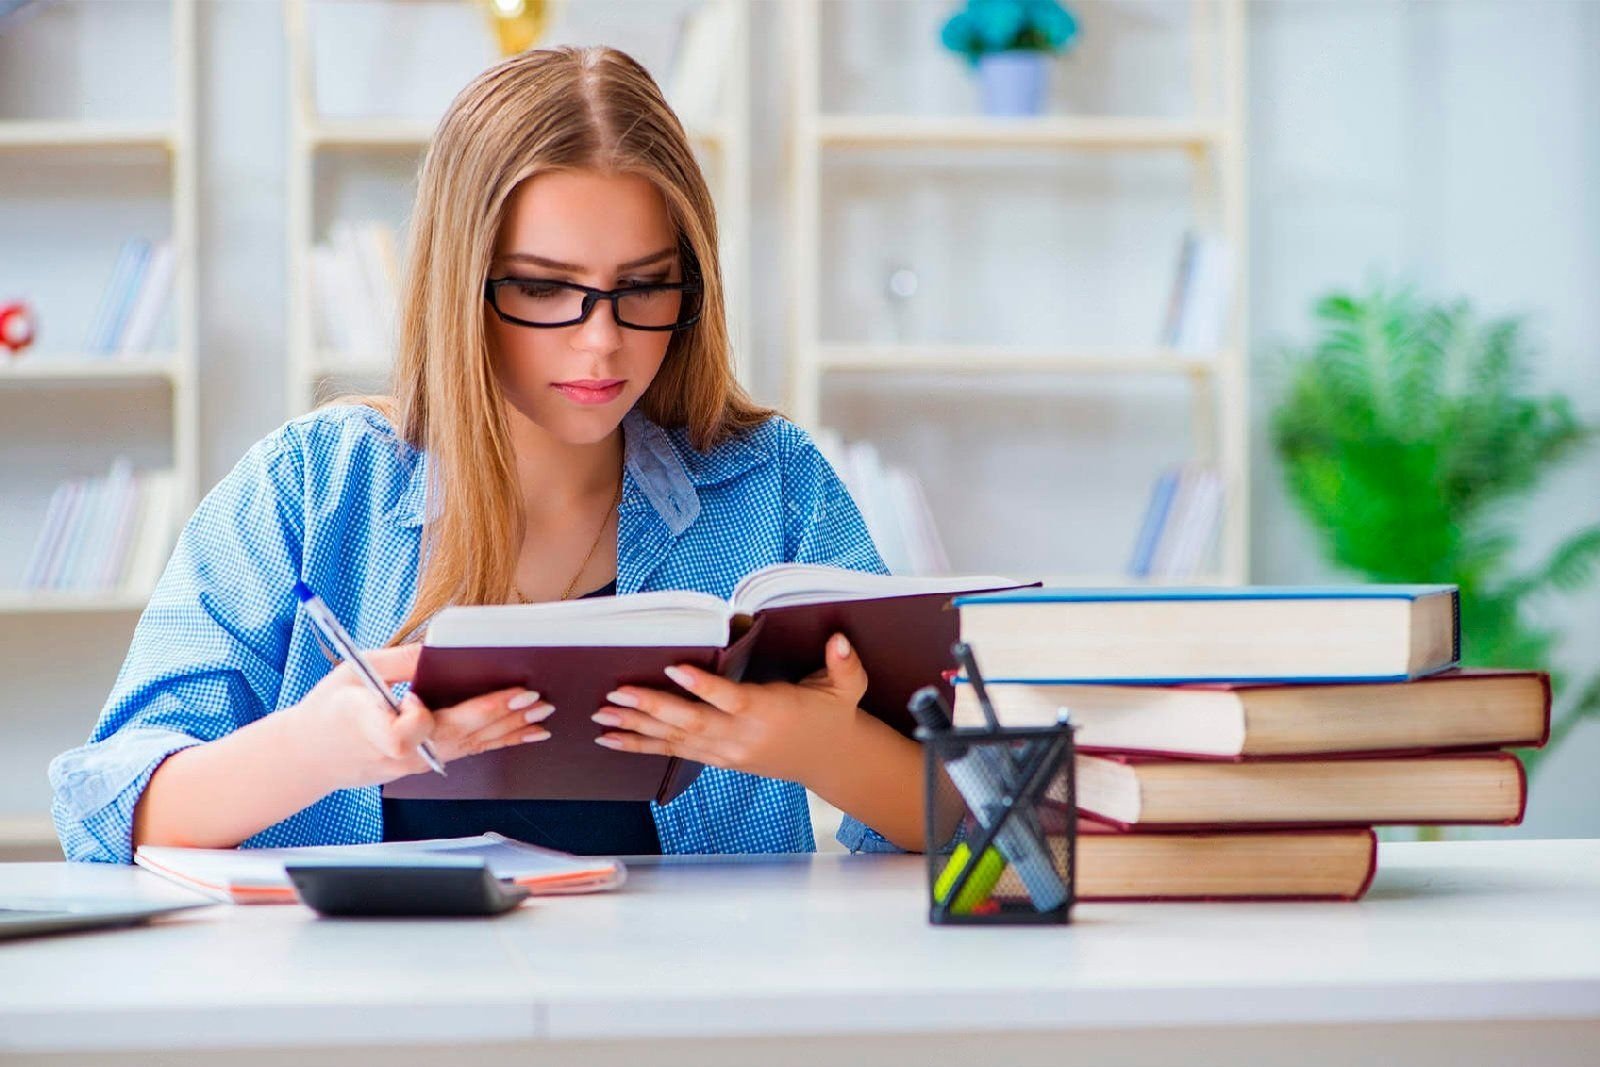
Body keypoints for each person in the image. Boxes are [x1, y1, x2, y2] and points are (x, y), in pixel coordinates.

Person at [49, 45, 937, 864]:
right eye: (545, 287)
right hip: (369, 1023)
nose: (602, 343)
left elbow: (988, 827)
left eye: (643, 286)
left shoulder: (771, 485)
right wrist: (318, 750)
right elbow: (106, 813)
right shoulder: (311, 487)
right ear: (459, 282)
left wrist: (824, 747)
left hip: (679, 1019)